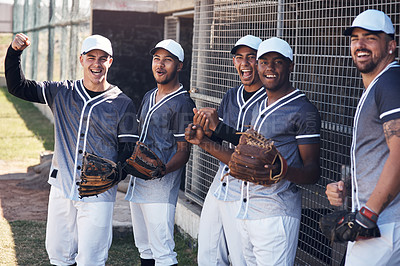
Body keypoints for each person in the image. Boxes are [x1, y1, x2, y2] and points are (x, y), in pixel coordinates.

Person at [5, 33, 138, 265]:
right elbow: (17, 87)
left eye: (103, 58)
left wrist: (116, 174)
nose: (97, 63)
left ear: (110, 62)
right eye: (91, 57)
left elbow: (128, 152)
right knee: (59, 254)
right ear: (81, 60)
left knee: (92, 259)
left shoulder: (122, 103)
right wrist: (14, 53)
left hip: (99, 194)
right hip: (62, 187)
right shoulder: (62, 91)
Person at [186, 37, 321, 265]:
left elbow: (312, 171)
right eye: (264, 62)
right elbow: (243, 160)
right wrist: (203, 141)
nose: (269, 68)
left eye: (277, 62)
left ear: (290, 66)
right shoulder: (259, 107)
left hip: (276, 207)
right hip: (248, 205)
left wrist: (282, 170)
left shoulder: (304, 109)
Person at [325, 9, 400, 265]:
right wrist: (348, 184)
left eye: (370, 38)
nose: (360, 44)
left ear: (391, 45)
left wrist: (368, 213)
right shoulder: (378, 85)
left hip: (383, 225)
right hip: (383, 223)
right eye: (355, 38)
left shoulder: (389, 83)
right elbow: (381, 154)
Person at [192, 35, 266, 266]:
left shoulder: (269, 98)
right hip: (222, 180)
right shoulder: (231, 95)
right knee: (208, 250)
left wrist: (218, 128)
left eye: (251, 57)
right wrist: (202, 130)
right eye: (238, 57)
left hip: (248, 187)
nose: (244, 63)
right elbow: (221, 138)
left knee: (240, 254)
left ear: (261, 62)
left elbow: (255, 149)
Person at [124, 39, 195, 266]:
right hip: (138, 183)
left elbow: (184, 151)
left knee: (163, 253)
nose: (160, 65)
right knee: (145, 249)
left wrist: (162, 170)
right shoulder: (148, 95)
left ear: (180, 65)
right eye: (157, 59)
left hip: (160, 189)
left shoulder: (183, 103)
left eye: (168, 60)